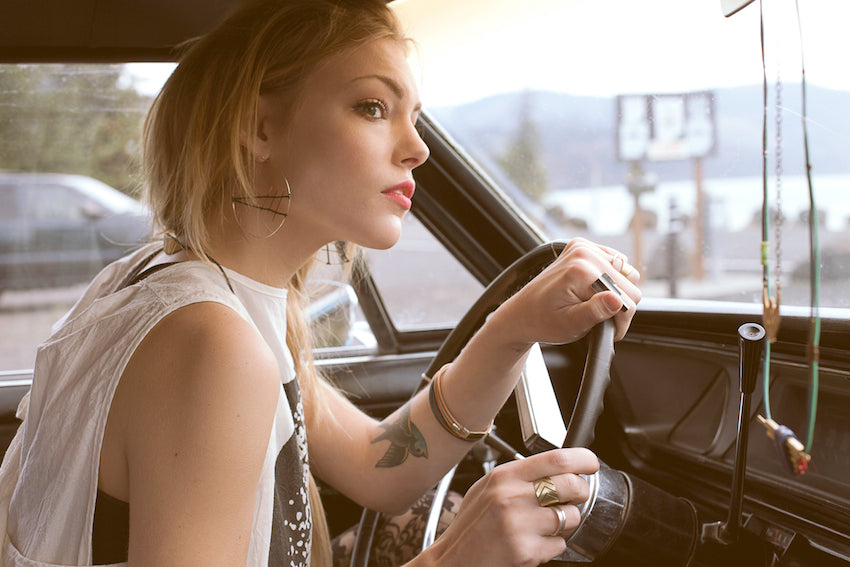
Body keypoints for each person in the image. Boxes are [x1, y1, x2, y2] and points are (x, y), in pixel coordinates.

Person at [0, 0, 641, 565]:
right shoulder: (210, 344)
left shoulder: (181, 290)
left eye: (412, 115)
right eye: (372, 107)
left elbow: (380, 462)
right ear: (258, 129)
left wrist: (512, 328)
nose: (418, 148)